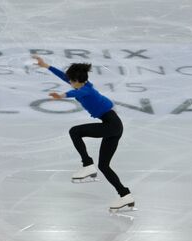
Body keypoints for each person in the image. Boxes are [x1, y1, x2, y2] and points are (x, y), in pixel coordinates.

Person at [33, 55, 135, 211]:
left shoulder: (85, 90)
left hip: (112, 125)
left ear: (76, 81)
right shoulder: (83, 83)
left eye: (71, 81)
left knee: (75, 131)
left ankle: (87, 164)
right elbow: (65, 78)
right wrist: (46, 66)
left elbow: (75, 94)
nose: (70, 82)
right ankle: (125, 195)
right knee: (104, 166)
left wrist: (61, 96)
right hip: (113, 126)